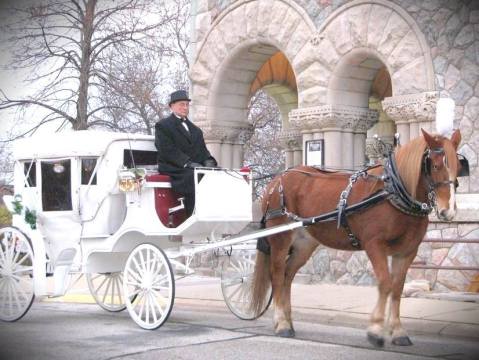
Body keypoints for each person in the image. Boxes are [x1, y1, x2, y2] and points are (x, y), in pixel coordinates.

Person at [155, 90, 217, 217]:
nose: (185, 107)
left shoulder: (196, 130)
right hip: (173, 168)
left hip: (193, 167)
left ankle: (215, 213)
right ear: (171, 106)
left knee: (218, 174)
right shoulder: (163, 126)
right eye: (181, 104)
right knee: (194, 176)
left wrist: (208, 161)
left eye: (187, 104)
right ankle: (193, 214)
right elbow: (166, 150)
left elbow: (202, 151)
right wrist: (187, 163)